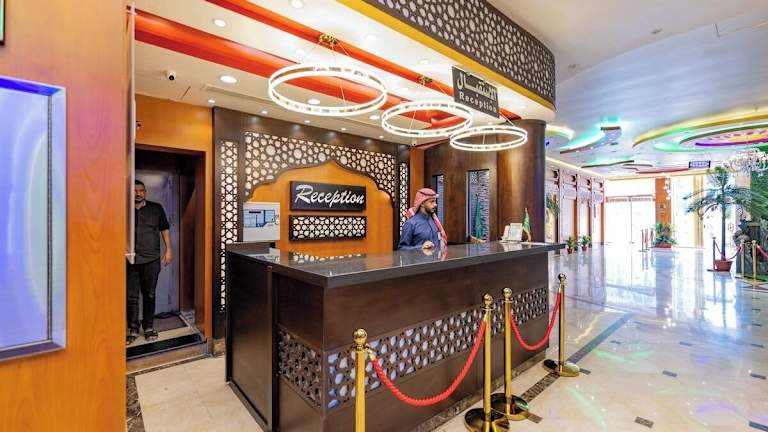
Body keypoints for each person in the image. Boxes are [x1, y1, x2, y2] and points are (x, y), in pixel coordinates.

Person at [127, 180, 172, 345]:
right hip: (130, 260)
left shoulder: (156, 208)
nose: (138, 193)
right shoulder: (124, 209)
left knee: (149, 294)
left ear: (145, 192)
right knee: (131, 297)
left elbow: (164, 229)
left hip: (151, 260)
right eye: (134, 190)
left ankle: (148, 327)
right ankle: (133, 328)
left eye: (141, 190)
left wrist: (169, 250)